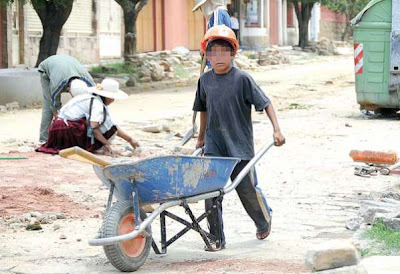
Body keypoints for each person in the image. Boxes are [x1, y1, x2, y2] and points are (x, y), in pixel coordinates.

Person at [193, 25, 285, 251]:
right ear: (207, 56)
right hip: (215, 147)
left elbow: (265, 103)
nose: (219, 57)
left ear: (233, 54)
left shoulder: (242, 79)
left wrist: (277, 129)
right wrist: (201, 136)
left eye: (224, 52)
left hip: (240, 147)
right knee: (211, 193)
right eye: (213, 53)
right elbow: (203, 109)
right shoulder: (204, 81)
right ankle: (216, 238)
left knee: (246, 189)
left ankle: (263, 221)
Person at [36, 78, 139, 155]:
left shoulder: (89, 98)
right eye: (112, 98)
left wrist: (130, 139)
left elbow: (112, 125)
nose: (113, 101)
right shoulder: (97, 105)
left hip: (55, 129)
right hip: (65, 130)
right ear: (106, 96)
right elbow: (94, 129)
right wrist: (106, 143)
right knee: (98, 128)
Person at [38, 55, 95, 143]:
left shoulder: (90, 82)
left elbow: (95, 101)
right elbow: (54, 107)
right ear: (69, 90)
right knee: (48, 104)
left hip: (68, 65)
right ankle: (43, 139)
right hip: (47, 68)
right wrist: (62, 125)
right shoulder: (57, 86)